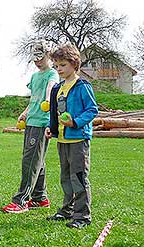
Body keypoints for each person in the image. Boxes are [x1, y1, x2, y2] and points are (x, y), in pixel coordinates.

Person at [44, 43, 98, 228]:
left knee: (79, 177)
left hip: (78, 139)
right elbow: (53, 112)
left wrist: (74, 122)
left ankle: (82, 216)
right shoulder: (57, 88)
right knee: (65, 177)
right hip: (62, 140)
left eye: (63, 65)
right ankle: (67, 210)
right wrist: (52, 128)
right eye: (56, 65)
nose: (59, 69)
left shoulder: (82, 86)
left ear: (74, 64)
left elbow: (92, 110)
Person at [2, 40, 59, 213]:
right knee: (37, 160)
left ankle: (21, 200)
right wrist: (25, 112)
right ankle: (40, 198)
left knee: (30, 161)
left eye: (40, 57)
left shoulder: (52, 74)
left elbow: (50, 88)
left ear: (48, 55)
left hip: (42, 122)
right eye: (34, 58)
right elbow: (34, 96)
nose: (37, 61)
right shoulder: (34, 77)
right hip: (31, 120)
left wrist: (49, 99)